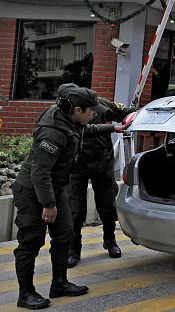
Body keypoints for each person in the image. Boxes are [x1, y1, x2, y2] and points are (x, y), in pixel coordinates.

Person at [11, 87, 129, 309]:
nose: (94, 114)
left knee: (64, 234)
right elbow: (39, 173)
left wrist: (113, 127)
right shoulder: (53, 133)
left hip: (55, 188)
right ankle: (25, 294)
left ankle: (59, 283)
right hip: (33, 192)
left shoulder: (71, 121)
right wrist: (48, 204)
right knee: (31, 242)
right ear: (77, 110)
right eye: (90, 110)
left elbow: (88, 128)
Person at [60, 84, 137, 268]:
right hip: (76, 168)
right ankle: (74, 248)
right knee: (75, 210)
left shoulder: (99, 104)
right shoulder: (61, 115)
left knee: (107, 206)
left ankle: (110, 241)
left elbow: (126, 113)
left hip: (102, 164)